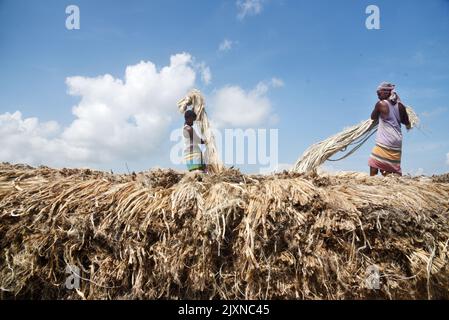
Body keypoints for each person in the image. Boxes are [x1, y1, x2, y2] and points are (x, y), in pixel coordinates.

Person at [368, 82, 411, 176]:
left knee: (373, 162)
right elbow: (406, 122)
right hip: (397, 141)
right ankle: (391, 180)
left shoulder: (381, 104)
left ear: (387, 92)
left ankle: (371, 183)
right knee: (390, 167)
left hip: (386, 139)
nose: (377, 94)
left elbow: (373, 117)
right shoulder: (401, 106)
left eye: (379, 92)